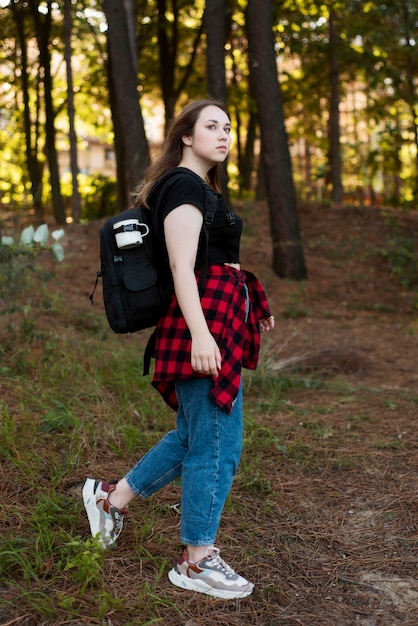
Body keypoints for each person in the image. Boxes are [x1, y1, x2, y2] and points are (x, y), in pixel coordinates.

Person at [82, 99, 275, 599]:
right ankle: (196, 561)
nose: (224, 134)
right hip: (202, 327)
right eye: (212, 126)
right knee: (218, 444)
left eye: (228, 127)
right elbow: (182, 268)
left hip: (214, 321)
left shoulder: (203, 188)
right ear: (186, 136)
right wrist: (203, 335)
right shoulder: (184, 186)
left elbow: (217, 263)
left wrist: (252, 302)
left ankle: (111, 499)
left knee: (195, 437)